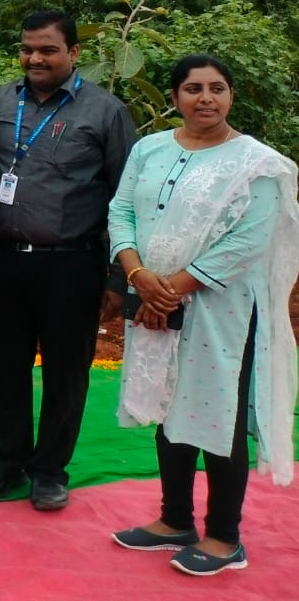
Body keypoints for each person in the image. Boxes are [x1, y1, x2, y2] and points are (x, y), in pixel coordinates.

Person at [108, 54, 299, 577]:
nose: (206, 98)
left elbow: (248, 240)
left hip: (222, 309)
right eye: (193, 88)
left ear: (232, 95)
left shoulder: (259, 164)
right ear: (175, 97)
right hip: (152, 302)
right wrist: (137, 274)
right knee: (170, 404)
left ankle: (224, 536)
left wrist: (167, 289)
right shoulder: (149, 149)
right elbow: (120, 210)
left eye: (218, 87)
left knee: (219, 415)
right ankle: (174, 520)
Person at [0, 10, 135, 511]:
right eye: (26, 49)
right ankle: (4, 463)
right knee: (4, 366)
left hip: (72, 264)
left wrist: (115, 277)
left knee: (66, 371)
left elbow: (126, 198)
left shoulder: (105, 111)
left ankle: (49, 470)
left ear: (74, 53)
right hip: (3, 260)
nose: (35, 58)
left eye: (48, 50)